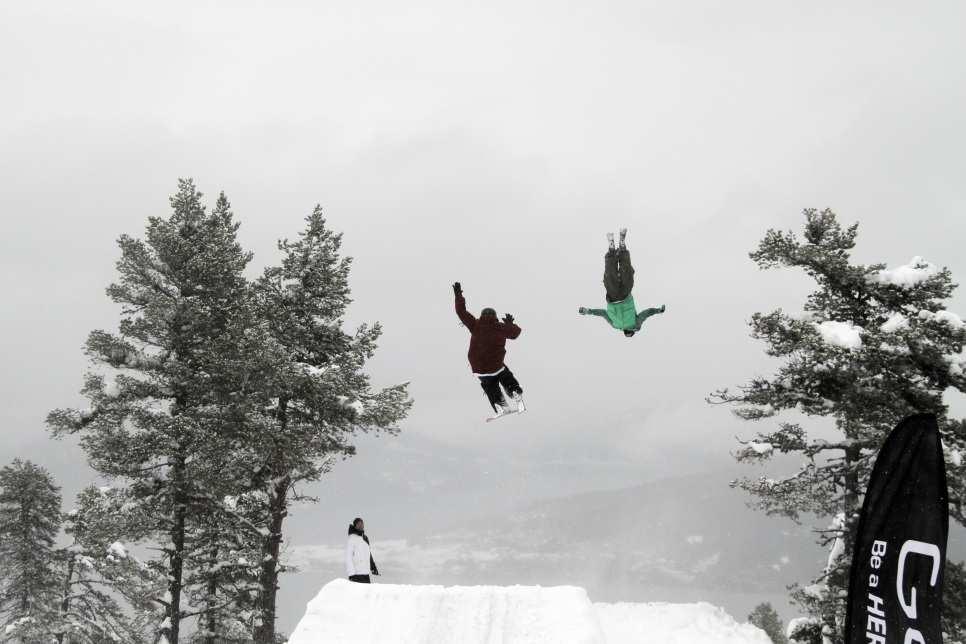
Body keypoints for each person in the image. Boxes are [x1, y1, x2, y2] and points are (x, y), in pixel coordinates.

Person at [452, 281, 525, 417]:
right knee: (504, 374)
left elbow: (461, 312)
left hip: (478, 366)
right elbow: (516, 333)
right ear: (495, 317)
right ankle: (513, 390)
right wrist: (510, 324)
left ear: (481, 315)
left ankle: (500, 404)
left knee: (489, 384)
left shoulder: (475, 324)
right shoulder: (500, 327)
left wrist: (458, 296)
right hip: (495, 364)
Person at [579, 229, 665, 336]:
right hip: (620, 297)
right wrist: (588, 311)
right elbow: (645, 314)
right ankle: (620, 249)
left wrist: (588, 311)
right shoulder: (628, 324)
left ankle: (614, 251)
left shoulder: (621, 325)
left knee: (617, 276)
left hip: (619, 297)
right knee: (621, 276)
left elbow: (646, 313)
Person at [345, 517, 379, 583]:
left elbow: (368, 554)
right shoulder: (352, 539)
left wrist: (373, 567)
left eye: (362, 524)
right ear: (355, 526)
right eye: (358, 524)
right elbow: (348, 557)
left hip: (366, 573)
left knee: (367, 593)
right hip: (356, 575)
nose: (361, 525)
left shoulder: (365, 538)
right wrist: (351, 574)